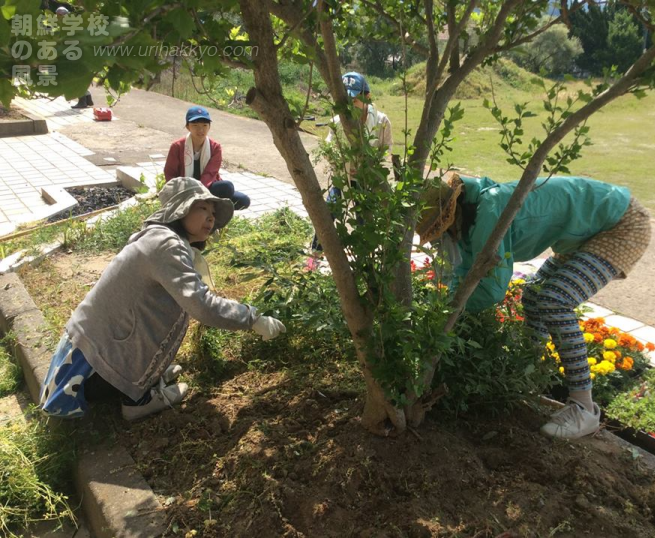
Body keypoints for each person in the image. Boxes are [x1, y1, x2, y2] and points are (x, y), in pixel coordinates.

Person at [416, 173, 651, 439]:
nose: (439, 241)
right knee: (533, 295)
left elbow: (492, 287)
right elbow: (464, 269)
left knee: (554, 299)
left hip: (621, 223)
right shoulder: (471, 214)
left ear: (452, 215)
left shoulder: (491, 211)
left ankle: (584, 408)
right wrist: (444, 298)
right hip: (590, 227)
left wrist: (448, 311)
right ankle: (529, 377)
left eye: (439, 230)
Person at [39, 177, 285, 421]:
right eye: (202, 208)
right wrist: (252, 319)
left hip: (88, 352)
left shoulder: (157, 237)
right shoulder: (166, 246)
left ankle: (148, 376)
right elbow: (201, 305)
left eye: (212, 212)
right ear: (179, 211)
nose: (211, 217)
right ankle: (138, 400)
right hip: (93, 371)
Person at [306, 72, 393, 268]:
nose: (351, 103)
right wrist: (342, 164)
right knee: (328, 215)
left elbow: (386, 149)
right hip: (342, 178)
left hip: (366, 181)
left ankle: (365, 264)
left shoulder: (381, 121)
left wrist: (367, 167)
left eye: (355, 98)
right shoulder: (337, 121)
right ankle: (314, 258)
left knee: (364, 221)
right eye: (347, 98)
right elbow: (329, 148)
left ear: (367, 96)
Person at [164, 106, 250, 211]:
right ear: (187, 127)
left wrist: (199, 193)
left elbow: (210, 174)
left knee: (240, 197)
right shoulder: (177, 146)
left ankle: (201, 205)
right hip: (185, 189)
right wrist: (182, 191)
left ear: (209, 126)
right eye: (195, 125)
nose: (201, 130)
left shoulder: (215, 147)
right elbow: (170, 173)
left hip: (207, 188)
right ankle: (207, 206)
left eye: (204, 125)